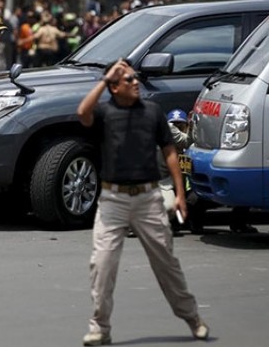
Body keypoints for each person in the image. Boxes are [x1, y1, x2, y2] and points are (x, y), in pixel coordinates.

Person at [76, 59, 208, 345]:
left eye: (135, 78)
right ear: (114, 87)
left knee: (166, 263)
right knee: (102, 263)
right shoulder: (105, 112)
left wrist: (181, 195)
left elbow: (170, 152)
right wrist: (105, 79)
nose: (136, 83)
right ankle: (100, 327)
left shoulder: (152, 112)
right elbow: (82, 112)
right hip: (113, 200)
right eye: (128, 80)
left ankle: (192, 317)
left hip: (148, 199)